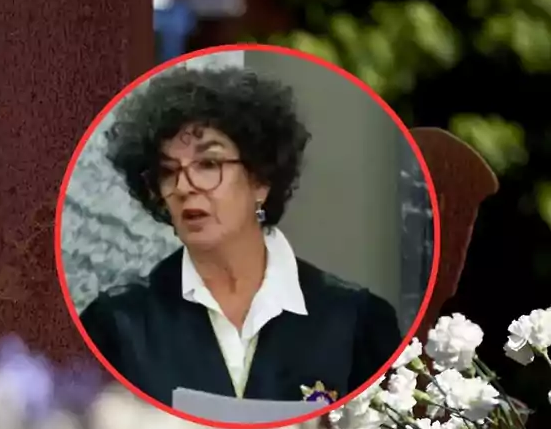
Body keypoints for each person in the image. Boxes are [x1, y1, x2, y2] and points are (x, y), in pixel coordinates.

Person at [79, 65, 402, 409]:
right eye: (168, 171)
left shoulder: (354, 320)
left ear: (260, 179)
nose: (185, 187)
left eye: (208, 164)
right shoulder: (119, 323)